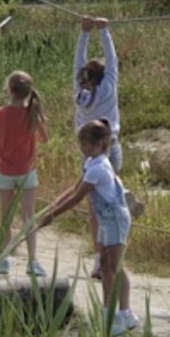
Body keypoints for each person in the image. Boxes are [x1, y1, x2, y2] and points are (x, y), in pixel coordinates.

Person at [39, 118, 139, 337]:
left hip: (114, 218)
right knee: (105, 266)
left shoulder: (99, 167)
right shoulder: (91, 164)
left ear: (100, 144)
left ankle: (122, 314)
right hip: (105, 219)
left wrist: (53, 216)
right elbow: (73, 188)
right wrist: (51, 207)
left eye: (85, 145)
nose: (82, 149)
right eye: (81, 144)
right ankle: (109, 314)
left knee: (114, 266)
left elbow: (78, 197)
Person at [0, 70, 48, 276]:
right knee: (29, 218)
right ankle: (33, 261)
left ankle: (5, 259)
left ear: (9, 90)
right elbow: (44, 139)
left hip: (5, 171)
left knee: (6, 218)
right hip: (27, 172)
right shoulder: (33, 113)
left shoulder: (0, 114)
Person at [74, 15, 121, 277]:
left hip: (89, 154)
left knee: (96, 209)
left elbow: (77, 63)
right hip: (111, 146)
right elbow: (112, 61)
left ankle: (99, 259)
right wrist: (104, 31)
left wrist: (84, 33)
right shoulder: (109, 88)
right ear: (105, 76)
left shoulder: (78, 90)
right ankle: (111, 258)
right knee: (112, 205)